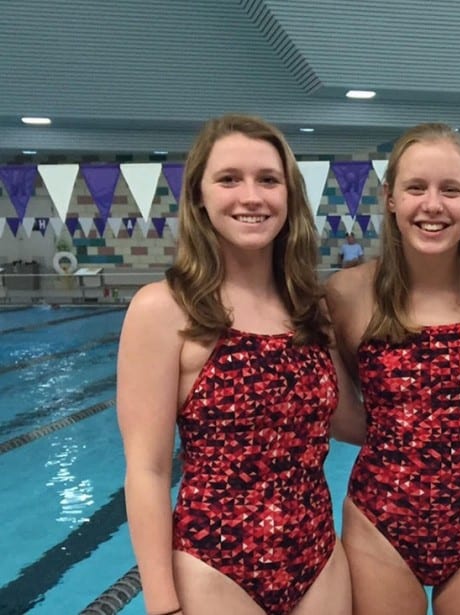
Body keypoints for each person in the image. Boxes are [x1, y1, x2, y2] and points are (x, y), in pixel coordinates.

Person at [117, 114, 363, 615]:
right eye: (229, 179)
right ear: (199, 197)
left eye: (268, 180)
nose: (251, 197)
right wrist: (162, 604)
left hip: (319, 561)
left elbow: (350, 423)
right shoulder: (164, 309)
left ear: (289, 197)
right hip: (215, 567)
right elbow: (147, 468)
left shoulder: (309, 309)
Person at [324, 122, 460, 615]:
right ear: (390, 197)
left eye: (450, 190)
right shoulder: (347, 293)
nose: (432, 205)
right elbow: (339, 409)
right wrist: (411, 433)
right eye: (416, 188)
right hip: (380, 523)